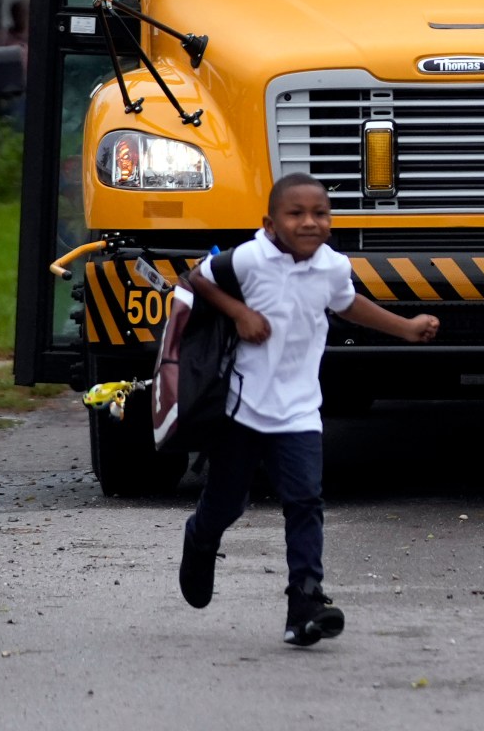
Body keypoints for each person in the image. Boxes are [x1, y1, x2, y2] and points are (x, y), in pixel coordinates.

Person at [177, 173, 439, 645]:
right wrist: (239, 313)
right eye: (295, 214)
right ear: (271, 223)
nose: (309, 222)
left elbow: (347, 304)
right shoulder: (251, 259)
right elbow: (198, 277)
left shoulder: (333, 267)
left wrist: (404, 327)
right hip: (241, 407)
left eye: (319, 213)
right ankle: (200, 538)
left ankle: (306, 604)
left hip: (299, 410)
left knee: (305, 503)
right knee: (227, 503)